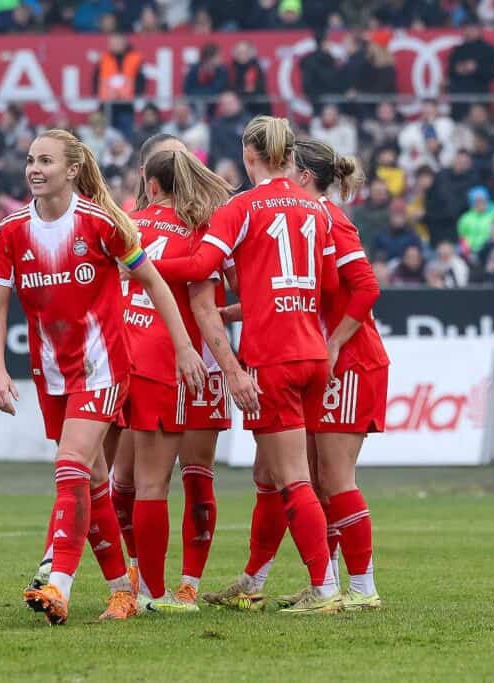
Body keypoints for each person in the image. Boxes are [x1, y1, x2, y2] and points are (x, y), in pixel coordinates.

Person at [0, 128, 207, 625]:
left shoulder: (101, 222)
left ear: (72, 169)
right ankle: (122, 591)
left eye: (45, 161)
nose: (34, 169)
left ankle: (57, 582)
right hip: (51, 374)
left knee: (70, 465)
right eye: (30, 160)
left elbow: (156, 283)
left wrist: (185, 347)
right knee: (95, 482)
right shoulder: (12, 230)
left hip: (103, 370)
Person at [151, 116, 342, 614]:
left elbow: (199, 267)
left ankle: (324, 589)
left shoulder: (241, 207)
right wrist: (254, 302)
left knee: (293, 478)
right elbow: (325, 283)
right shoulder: (317, 208)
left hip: (273, 357)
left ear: (248, 154)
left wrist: (139, 264)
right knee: (270, 474)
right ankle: (253, 581)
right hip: (312, 352)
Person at [124, 146, 260, 613]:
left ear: (152, 181)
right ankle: (162, 583)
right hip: (189, 359)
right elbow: (220, 296)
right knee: (186, 477)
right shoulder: (205, 232)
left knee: (135, 479)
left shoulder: (130, 225)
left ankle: (160, 582)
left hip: (143, 356)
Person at [277, 137, 387, 611]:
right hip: (327, 362)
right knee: (320, 481)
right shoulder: (307, 218)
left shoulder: (330, 219)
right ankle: (329, 584)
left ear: (303, 176)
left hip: (352, 362)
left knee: (337, 478)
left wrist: (337, 342)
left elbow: (367, 287)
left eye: (286, 168)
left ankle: (363, 589)